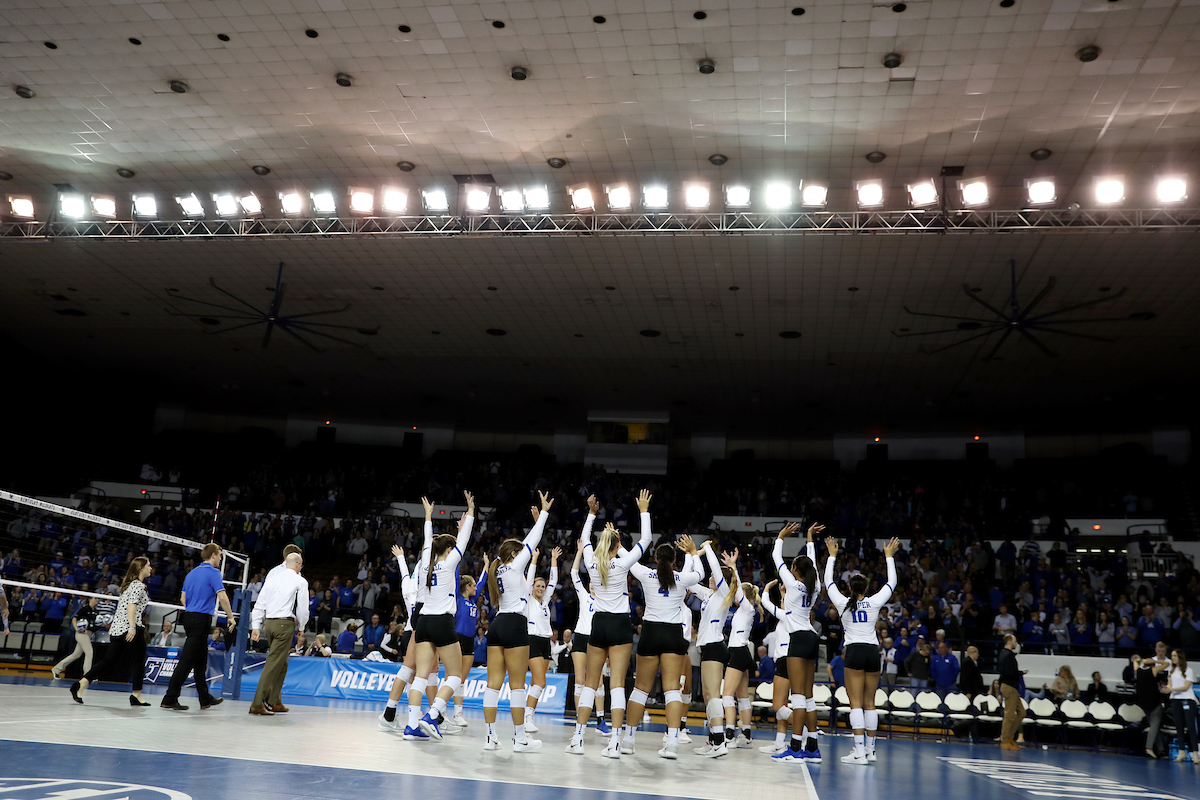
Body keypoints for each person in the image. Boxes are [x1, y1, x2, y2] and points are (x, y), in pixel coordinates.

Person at [566, 490, 653, 758]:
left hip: (599, 623)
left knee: (590, 684)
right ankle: (615, 743)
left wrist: (592, 513)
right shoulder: (623, 562)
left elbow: (584, 539)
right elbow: (647, 539)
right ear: (618, 546)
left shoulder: (592, 562)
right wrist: (643, 510)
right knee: (617, 684)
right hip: (619, 625)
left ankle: (578, 738)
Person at [621, 535, 702, 758]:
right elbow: (701, 574)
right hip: (674, 634)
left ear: (656, 558)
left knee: (640, 689)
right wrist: (693, 552)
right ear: (675, 559)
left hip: (651, 632)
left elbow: (629, 560)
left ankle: (628, 740)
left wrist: (618, 546)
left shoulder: (646, 575)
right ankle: (673, 743)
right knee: (672, 690)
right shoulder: (682, 578)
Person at [481, 491, 551, 751]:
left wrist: (535, 524)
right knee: (518, 685)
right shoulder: (513, 567)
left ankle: (489, 737)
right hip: (514, 625)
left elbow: (529, 545)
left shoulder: (499, 569)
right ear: (514, 555)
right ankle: (520, 738)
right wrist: (543, 514)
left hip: (497, 625)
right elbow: (532, 542)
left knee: (493, 684)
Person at [823, 535, 899, 765]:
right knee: (870, 703)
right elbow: (892, 582)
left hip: (854, 651)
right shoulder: (875, 602)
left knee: (855, 703)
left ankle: (858, 752)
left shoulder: (842, 603)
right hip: (872, 653)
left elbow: (827, 581)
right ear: (866, 588)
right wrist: (888, 558)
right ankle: (871, 751)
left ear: (848, 588)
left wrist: (832, 556)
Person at [408, 492, 477, 742]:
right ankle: (433, 714)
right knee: (456, 675)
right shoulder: (449, 565)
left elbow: (428, 540)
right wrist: (470, 510)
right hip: (441, 622)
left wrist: (428, 516)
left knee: (421, 675)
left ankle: (411, 725)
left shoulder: (425, 564)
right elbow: (465, 539)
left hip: (423, 622)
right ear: (448, 549)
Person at [161, 543, 235, 711]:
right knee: (186, 661)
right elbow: (222, 597)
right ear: (214, 555)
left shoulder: (191, 573)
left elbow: (182, 599)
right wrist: (230, 617)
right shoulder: (214, 573)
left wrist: (194, 608)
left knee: (201, 660)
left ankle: (204, 698)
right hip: (201, 619)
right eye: (220, 555)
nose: (221, 558)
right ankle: (169, 698)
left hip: (189, 617)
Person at [70, 557, 152, 707]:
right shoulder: (138, 586)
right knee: (139, 662)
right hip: (131, 628)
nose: (150, 568)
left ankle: (80, 685)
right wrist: (133, 627)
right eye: (148, 565)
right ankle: (136, 695)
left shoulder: (129, 585)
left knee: (109, 660)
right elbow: (131, 606)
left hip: (117, 628)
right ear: (140, 568)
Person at [688, 539, 741, 759]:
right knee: (709, 695)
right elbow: (689, 582)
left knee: (713, 696)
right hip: (707, 647)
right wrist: (691, 555)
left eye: (714, 576)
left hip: (714, 646)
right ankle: (713, 740)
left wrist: (708, 548)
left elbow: (716, 571)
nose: (710, 577)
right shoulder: (709, 596)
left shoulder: (722, 593)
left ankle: (720, 742)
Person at [248, 551, 309, 716]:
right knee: (274, 663)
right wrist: (302, 627)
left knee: (282, 663)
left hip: (269, 624)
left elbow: (260, 603)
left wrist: (255, 625)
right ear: (297, 564)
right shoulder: (300, 580)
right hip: (284, 624)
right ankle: (257, 703)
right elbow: (303, 608)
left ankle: (274, 700)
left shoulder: (272, 579)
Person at [567, 540, 608, 735]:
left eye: (595, 583)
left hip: (596, 639)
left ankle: (601, 719)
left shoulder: (605, 599)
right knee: (580, 681)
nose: (592, 586)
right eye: (591, 583)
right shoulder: (584, 595)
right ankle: (579, 719)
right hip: (580, 638)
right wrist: (579, 552)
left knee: (599, 681)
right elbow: (574, 574)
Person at [523, 546, 561, 732]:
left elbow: (554, 580)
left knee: (536, 682)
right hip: (531, 640)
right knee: (541, 681)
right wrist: (534, 559)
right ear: (532, 588)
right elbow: (530, 578)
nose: (540, 588)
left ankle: (527, 714)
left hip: (545, 642)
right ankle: (527, 717)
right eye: (537, 586)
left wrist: (554, 559)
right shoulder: (528, 599)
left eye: (543, 586)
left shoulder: (545, 602)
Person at [758, 581, 792, 755]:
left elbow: (766, 603)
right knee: (783, 704)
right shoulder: (789, 618)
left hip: (784, 660)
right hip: (787, 660)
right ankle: (780, 742)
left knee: (778, 705)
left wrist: (765, 589)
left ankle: (808, 728)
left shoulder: (788, 616)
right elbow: (784, 604)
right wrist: (784, 594)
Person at [451, 563, 485, 726]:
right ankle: (440, 710)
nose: (476, 589)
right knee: (453, 676)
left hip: (469, 640)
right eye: (473, 586)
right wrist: (457, 560)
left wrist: (486, 566)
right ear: (467, 587)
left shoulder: (471, 600)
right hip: (457, 638)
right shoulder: (458, 598)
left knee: (462, 679)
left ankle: (458, 714)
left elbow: (481, 584)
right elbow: (457, 581)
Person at [1162, 650, 1198, 763]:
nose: (1172, 658)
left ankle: (1195, 754)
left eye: (1174, 656)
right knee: (1179, 726)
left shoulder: (1188, 670)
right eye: (1172, 656)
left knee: (1190, 727)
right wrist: (1166, 689)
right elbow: (1170, 685)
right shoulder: (1171, 671)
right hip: (1175, 700)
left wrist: (1171, 689)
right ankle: (1181, 752)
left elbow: (1186, 686)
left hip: (1187, 699)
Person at [52, 595, 98, 679]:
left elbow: (94, 623)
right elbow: (74, 618)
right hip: (82, 634)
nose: (97, 600)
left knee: (76, 655)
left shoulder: (95, 611)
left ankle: (56, 669)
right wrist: (77, 628)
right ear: (90, 599)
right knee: (89, 652)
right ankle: (87, 675)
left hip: (89, 634)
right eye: (95, 598)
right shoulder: (85, 609)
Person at [998, 634, 1025, 751]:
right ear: (1009, 642)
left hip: (1011, 687)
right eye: (1015, 641)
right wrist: (1020, 673)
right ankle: (1005, 740)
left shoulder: (1005, 654)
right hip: (1009, 687)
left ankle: (1009, 736)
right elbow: (1009, 672)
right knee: (1009, 715)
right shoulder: (1008, 656)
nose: (1016, 643)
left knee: (1022, 712)